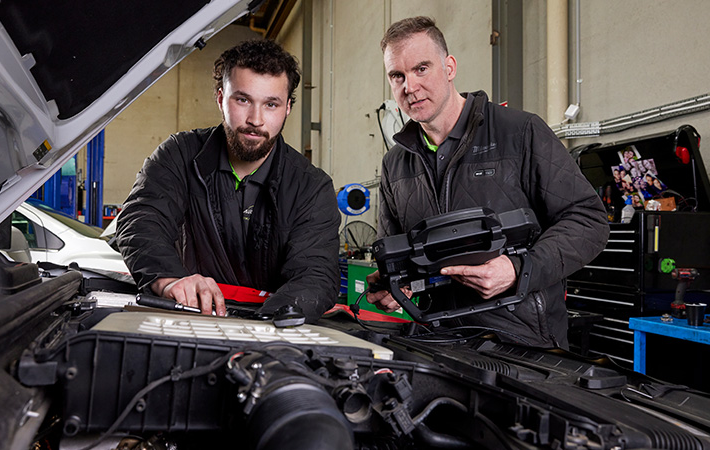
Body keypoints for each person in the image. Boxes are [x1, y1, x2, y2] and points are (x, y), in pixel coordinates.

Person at [367, 17, 610, 349]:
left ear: (449, 67)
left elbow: (588, 220)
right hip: (438, 342)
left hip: (524, 343)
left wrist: (518, 269)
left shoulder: (520, 133)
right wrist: (394, 285)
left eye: (421, 69)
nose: (409, 87)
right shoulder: (395, 164)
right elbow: (395, 253)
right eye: (398, 76)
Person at [116, 40, 341, 322]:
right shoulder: (179, 154)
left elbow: (315, 274)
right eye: (243, 100)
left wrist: (262, 328)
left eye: (271, 104)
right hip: (188, 317)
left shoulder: (311, 187)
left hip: (273, 331)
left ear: (287, 109)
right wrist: (169, 280)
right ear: (221, 98)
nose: (255, 120)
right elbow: (142, 219)